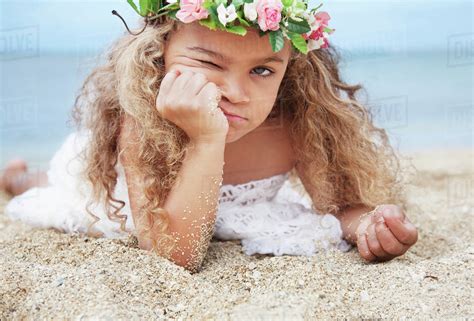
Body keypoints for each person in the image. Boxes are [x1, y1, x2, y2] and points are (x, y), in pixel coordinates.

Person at [0, 0, 418, 273]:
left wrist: (367, 223)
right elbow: (175, 254)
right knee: (57, 191)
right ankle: (19, 176)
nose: (235, 92)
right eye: (208, 63)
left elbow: (339, 207)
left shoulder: (294, 124)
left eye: (262, 70)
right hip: (119, 191)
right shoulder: (140, 121)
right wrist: (205, 140)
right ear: (157, 56)